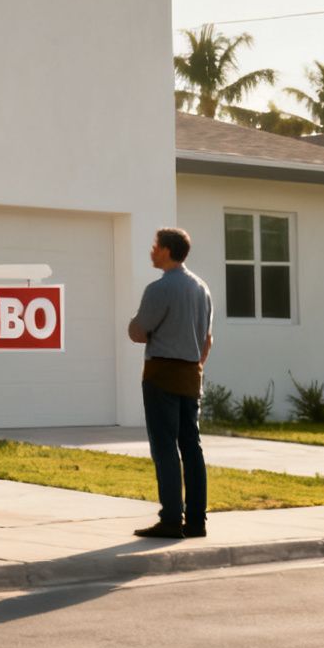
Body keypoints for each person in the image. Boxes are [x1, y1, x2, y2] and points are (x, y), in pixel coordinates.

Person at [126, 227, 213, 539]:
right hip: (192, 373)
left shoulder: (159, 289)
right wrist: (196, 365)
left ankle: (171, 519)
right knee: (192, 446)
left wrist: (134, 327)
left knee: (164, 446)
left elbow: (139, 331)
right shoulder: (201, 288)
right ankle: (197, 520)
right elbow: (208, 339)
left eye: (155, 245)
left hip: (162, 373)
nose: (152, 251)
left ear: (166, 250)